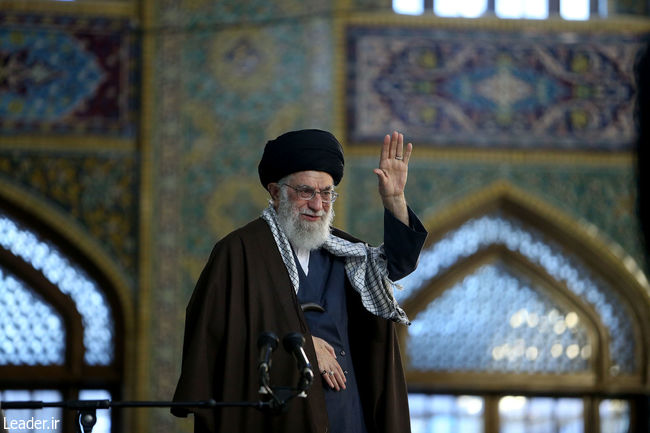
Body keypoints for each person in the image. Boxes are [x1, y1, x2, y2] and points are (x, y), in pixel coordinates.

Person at [171, 129, 428, 433]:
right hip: (277, 419)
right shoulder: (239, 252)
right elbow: (215, 347)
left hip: (347, 416)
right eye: (306, 191)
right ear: (276, 192)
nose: (318, 205)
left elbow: (397, 264)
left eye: (326, 193)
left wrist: (395, 200)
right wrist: (301, 347)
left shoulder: (347, 253)